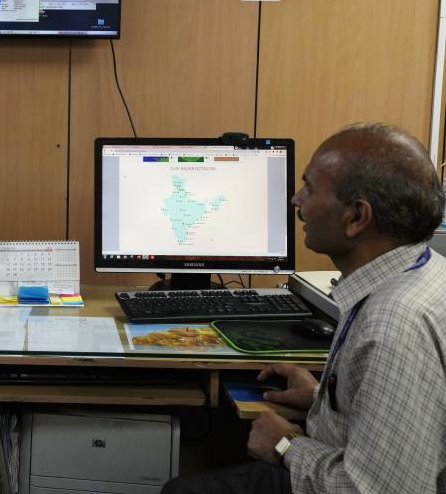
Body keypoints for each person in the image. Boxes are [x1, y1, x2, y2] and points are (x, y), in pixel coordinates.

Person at [163, 123, 446, 494]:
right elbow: (403, 422)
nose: (296, 200)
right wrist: (324, 399)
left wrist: (286, 446)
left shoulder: (393, 324)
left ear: (357, 217)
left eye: (309, 188)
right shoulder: (426, 270)